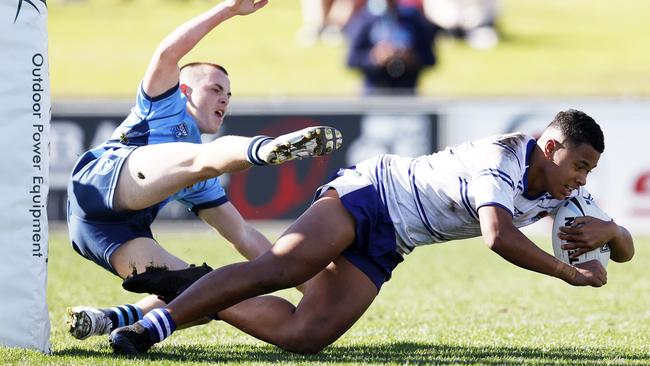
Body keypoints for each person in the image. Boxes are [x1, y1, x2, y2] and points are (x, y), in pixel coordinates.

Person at [109, 109, 634, 355]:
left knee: (306, 336)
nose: (583, 178)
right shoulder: (500, 159)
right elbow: (497, 236)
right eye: (580, 165)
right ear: (549, 147)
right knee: (286, 268)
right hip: (373, 194)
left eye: (589, 171)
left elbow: (622, 255)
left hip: (395, 240)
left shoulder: (564, 192)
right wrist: (567, 272)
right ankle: (157, 327)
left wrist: (609, 230)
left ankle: (190, 282)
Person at [65, 0, 342, 340]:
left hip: (105, 234)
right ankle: (267, 148)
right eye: (214, 89)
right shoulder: (163, 105)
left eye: (228, 94)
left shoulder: (202, 179)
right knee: (204, 158)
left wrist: (310, 282)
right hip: (101, 181)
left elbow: (244, 237)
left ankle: (115, 320)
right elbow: (168, 52)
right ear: (184, 91)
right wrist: (228, 9)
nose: (224, 99)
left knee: (206, 296)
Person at [345, 0, 437, 95]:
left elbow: (430, 58)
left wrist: (411, 57)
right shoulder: (365, 18)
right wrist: (374, 58)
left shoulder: (412, 17)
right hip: (374, 93)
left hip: (407, 94)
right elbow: (352, 60)